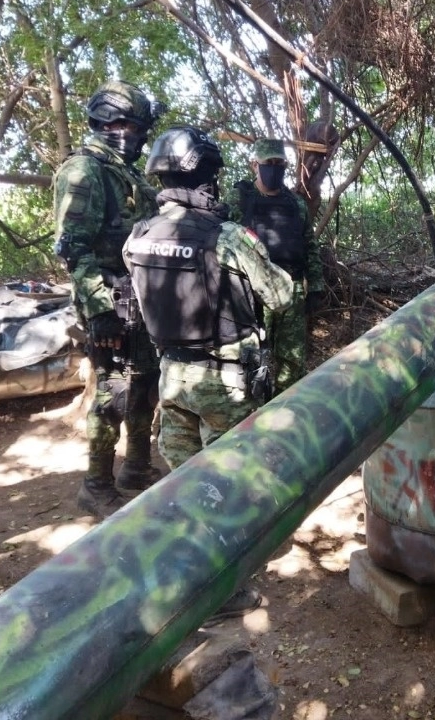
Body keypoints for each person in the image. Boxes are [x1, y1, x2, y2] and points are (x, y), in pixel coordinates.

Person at [125, 125, 294, 617]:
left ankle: (186, 577)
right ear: (206, 176)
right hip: (223, 380)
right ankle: (223, 591)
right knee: (227, 487)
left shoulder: (139, 236)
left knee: (184, 486)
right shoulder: (227, 237)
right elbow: (281, 295)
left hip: (171, 378)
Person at [52, 80, 166, 519]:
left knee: (144, 386)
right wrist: (99, 310)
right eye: (129, 126)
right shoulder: (85, 170)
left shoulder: (125, 171)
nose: (134, 136)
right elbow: (73, 247)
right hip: (110, 300)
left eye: (138, 128)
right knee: (113, 392)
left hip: (139, 298)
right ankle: (96, 485)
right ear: (106, 122)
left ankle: (136, 467)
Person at [227, 138, 323, 394]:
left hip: (291, 290)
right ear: (254, 165)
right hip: (251, 293)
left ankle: (287, 405)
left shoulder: (296, 203)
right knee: (248, 357)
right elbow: (223, 241)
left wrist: (316, 285)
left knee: (292, 361)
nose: (275, 168)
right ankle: (252, 407)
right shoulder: (239, 199)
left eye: (280, 164)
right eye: (269, 163)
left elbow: (309, 245)